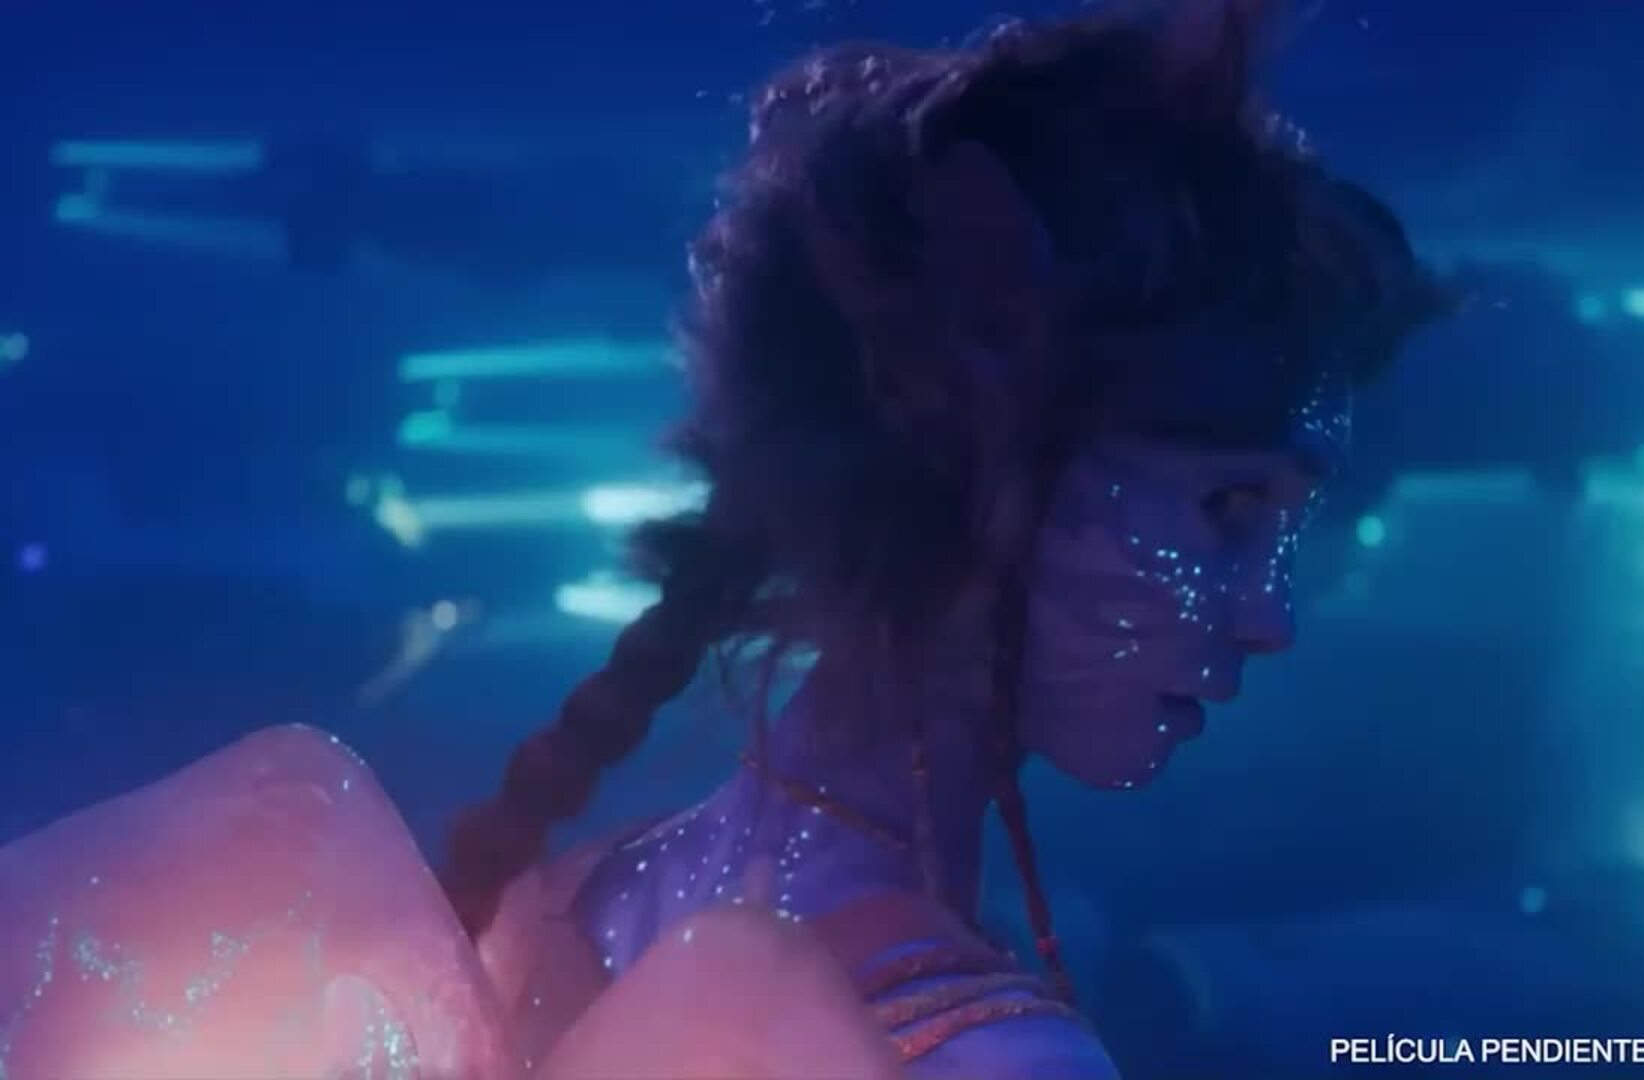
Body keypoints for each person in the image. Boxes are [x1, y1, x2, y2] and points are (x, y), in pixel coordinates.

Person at [0, 2, 1443, 1077]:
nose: (1271, 615)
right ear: (973, 465)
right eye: (1229, 509)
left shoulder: (555, 910)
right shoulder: (988, 1056)